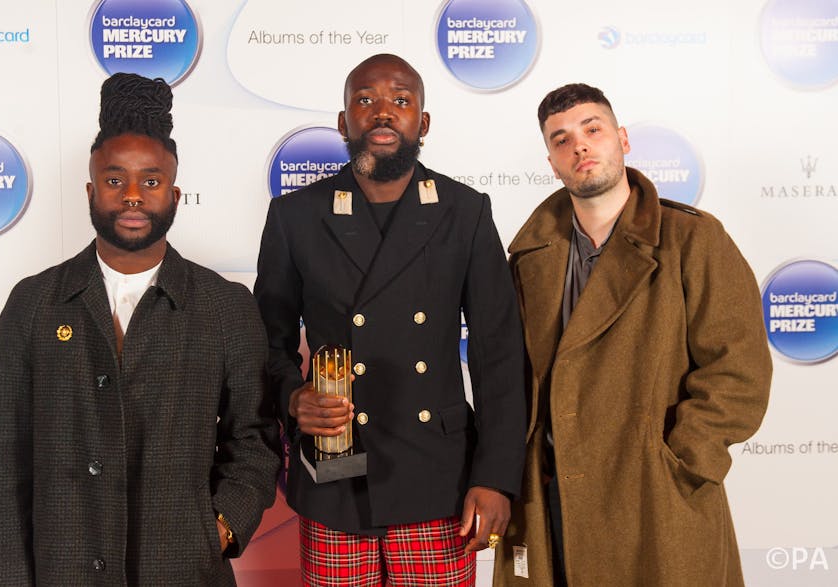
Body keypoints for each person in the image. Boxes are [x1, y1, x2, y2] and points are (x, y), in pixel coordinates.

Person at [0, 73, 281, 586]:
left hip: (186, 571)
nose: (133, 196)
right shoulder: (33, 304)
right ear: (90, 190)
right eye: (116, 180)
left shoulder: (225, 306)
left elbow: (254, 440)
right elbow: (6, 469)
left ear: (176, 193)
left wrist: (220, 528)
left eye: (151, 180)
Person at [254, 54, 526, 586]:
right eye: (365, 100)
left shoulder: (464, 211)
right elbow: (268, 340)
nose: (383, 113)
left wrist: (495, 477)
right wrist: (292, 396)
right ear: (343, 122)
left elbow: (499, 354)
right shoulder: (296, 216)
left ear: (422, 123)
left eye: (401, 101)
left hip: (439, 480)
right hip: (335, 476)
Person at [495, 83, 772, 586]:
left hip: (656, 500)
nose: (578, 145)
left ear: (622, 139)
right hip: (554, 495)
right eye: (561, 139)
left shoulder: (693, 238)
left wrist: (683, 459)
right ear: (551, 163)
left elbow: (739, 368)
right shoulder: (529, 258)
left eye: (592, 129)